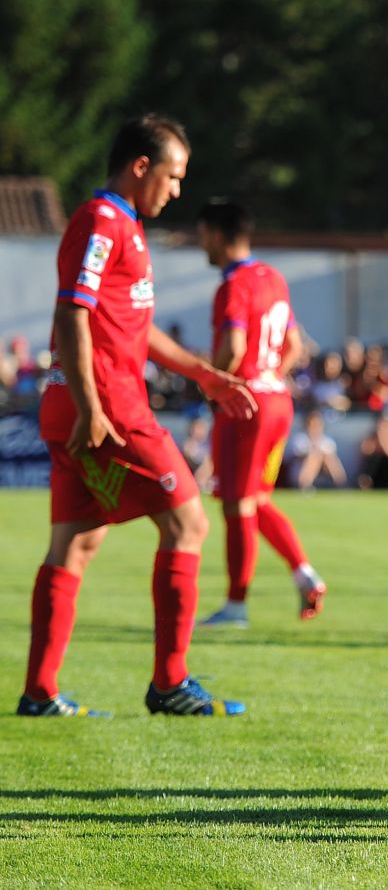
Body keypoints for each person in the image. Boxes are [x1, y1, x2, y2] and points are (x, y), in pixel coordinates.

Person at [18, 115, 256, 718]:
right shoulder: (102, 221)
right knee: (190, 525)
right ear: (141, 167)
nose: (176, 191)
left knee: (75, 544)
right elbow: (73, 314)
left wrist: (202, 373)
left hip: (76, 403)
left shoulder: (124, 226)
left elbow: (136, 325)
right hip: (105, 406)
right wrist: (95, 409)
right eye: (172, 176)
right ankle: (170, 683)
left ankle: (40, 692)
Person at [195, 200, 328, 629]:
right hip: (276, 403)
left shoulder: (232, 284)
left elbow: (233, 349)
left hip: (245, 406)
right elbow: (292, 346)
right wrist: (269, 375)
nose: (202, 245)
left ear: (217, 233)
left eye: (203, 235)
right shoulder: (273, 278)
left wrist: (213, 382)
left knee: (236, 506)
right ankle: (305, 574)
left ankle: (235, 607)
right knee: (257, 500)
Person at [287, 408, 348, 490]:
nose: (315, 427)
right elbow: (295, 458)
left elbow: (331, 459)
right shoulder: (300, 439)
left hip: (322, 473)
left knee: (328, 457)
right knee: (314, 457)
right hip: (299, 474)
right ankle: (304, 485)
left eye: (318, 425)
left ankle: (340, 484)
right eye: (312, 424)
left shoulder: (327, 441)